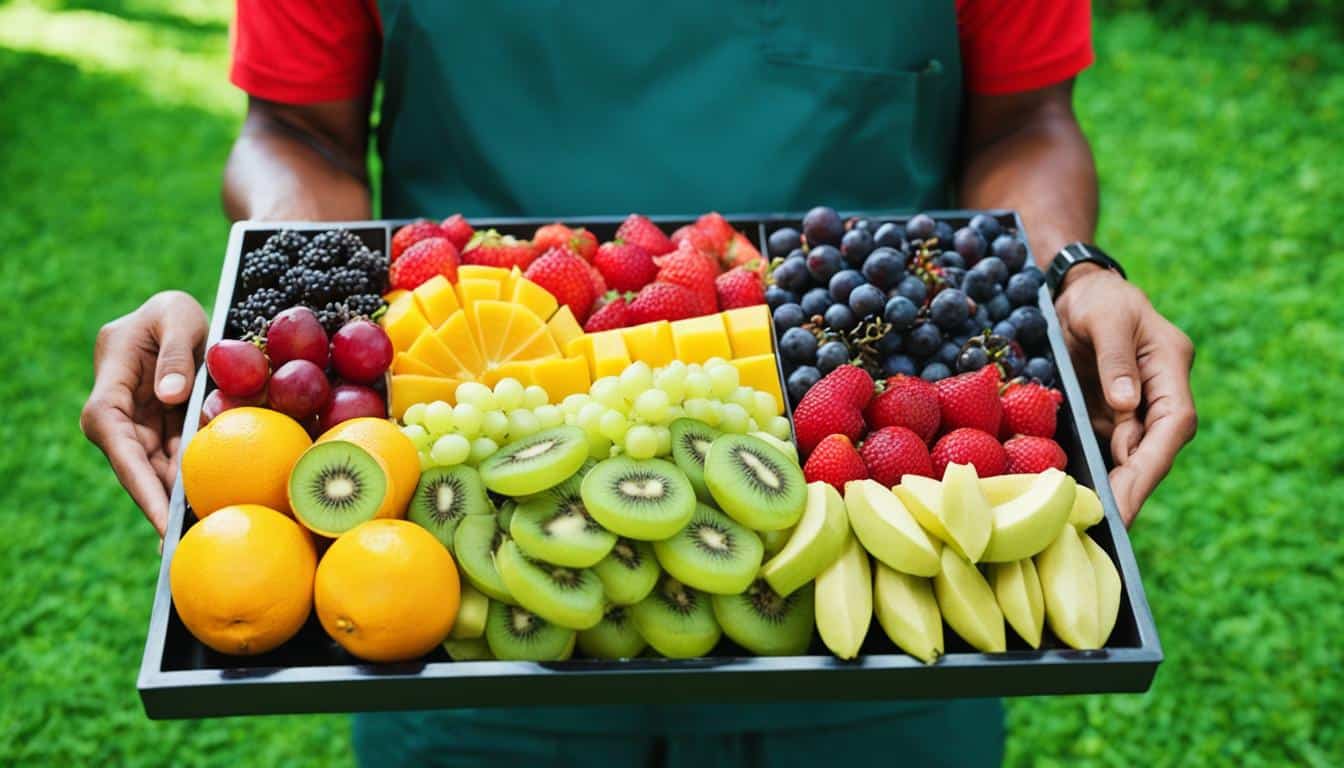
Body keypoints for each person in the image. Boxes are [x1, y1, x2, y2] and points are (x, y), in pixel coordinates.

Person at [81, 1, 1197, 765]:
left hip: (870, 590)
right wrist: (294, 332)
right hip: (460, 601)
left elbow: (1030, 122)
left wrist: (1068, 269)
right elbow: (291, 127)